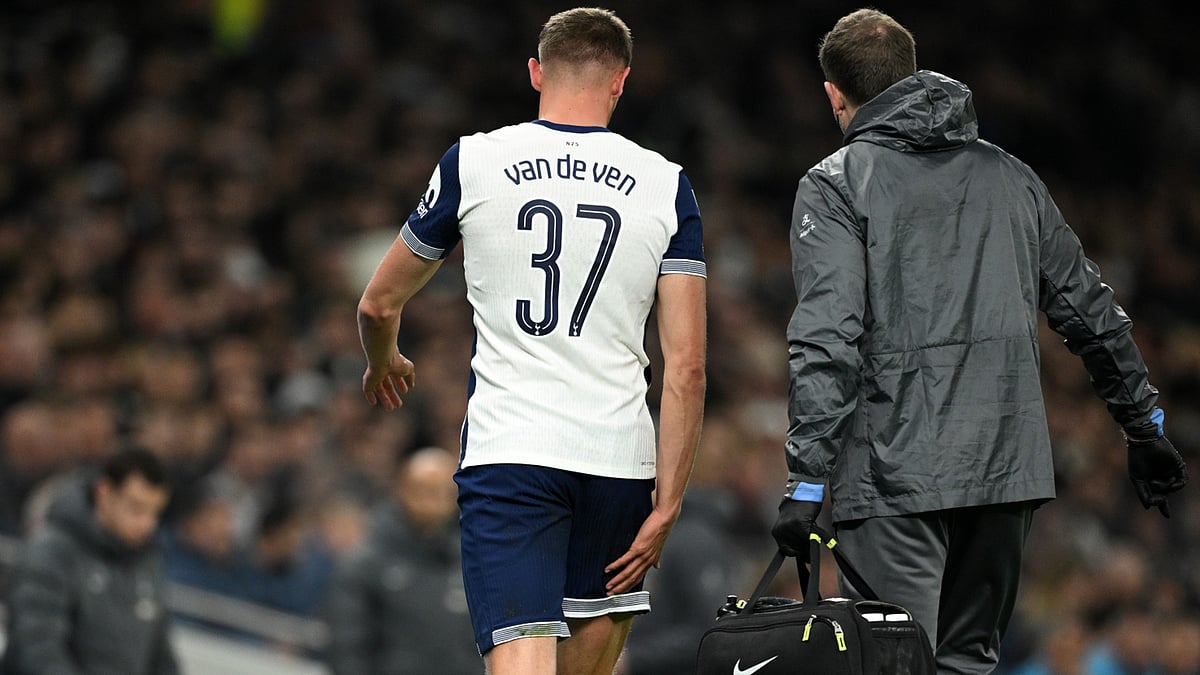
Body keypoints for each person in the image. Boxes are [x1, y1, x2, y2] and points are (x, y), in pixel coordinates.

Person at [769, 8, 1189, 674]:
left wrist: (805, 477)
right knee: (966, 665)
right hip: (1003, 473)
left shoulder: (835, 183)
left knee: (893, 663)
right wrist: (1143, 425)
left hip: (894, 473)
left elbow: (829, 334)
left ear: (833, 93)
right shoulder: (1010, 175)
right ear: (911, 73)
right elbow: (1088, 308)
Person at [356, 7, 707, 674]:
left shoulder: (477, 160)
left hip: (513, 454)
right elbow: (687, 368)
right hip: (620, 463)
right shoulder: (667, 183)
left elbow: (377, 304)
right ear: (621, 81)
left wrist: (385, 359)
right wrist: (668, 503)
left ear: (535, 71)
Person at [1, 446, 178, 675]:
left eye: (155, 512)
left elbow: (161, 658)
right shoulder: (52, 552)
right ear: (104, 493)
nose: (148, 524)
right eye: (136, 508)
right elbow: (37, 648)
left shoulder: (148, 565)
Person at [324, 446, 478, 675]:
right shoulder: (366, 564)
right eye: (423, 490)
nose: (432, 502)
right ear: (401, 489)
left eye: (442, 492)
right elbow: (346, 648)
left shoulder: (469, 565)